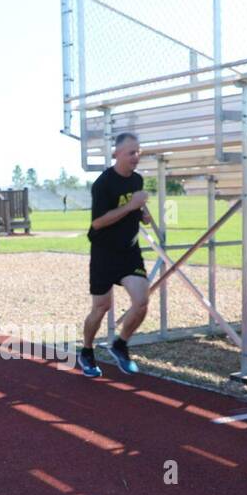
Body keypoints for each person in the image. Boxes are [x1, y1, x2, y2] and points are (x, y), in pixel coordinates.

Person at [78, 132, 151, 378]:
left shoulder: (137, 180)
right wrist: (131, 206)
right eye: (131, 152)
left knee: (141, 302)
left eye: (138, 151)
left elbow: (134, 206)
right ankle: (87, 351)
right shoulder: (103, 184)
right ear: (116, 154)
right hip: (103, 253)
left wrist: (142, 214)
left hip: (129, 252)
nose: (136, 156)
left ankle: (120, 344)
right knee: (101, 308)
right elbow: (98, 223)